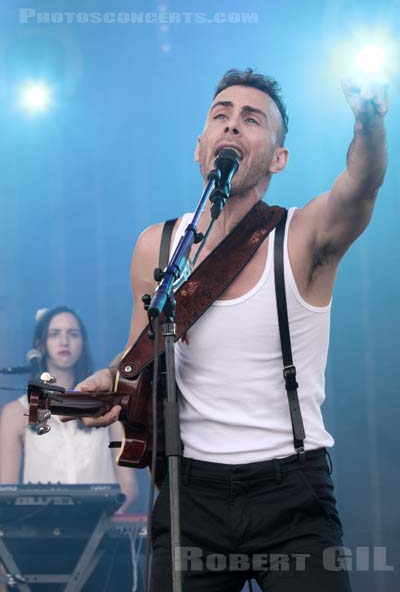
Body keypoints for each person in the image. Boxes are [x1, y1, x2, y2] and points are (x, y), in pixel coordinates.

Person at [72, 69, 387, 591]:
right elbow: (136, 359)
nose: (231, 126)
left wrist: (370, 123)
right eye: (220, 115)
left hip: (292, 492)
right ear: (200, 147)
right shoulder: (158, 244)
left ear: (279, 158)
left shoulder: (301, 235)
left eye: (251, 119)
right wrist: (110, 379)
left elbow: (362, 187)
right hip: (189, 497)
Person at [0, 306, 138, 513]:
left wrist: (101, 523)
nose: (64, 341)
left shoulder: (107, 404)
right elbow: (6, 489)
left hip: (100, 531)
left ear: (83, 342)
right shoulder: (15, 412)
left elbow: (128, 485)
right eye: (54, 334)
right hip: (40, 533)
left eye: (72, 334)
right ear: (40, 344)